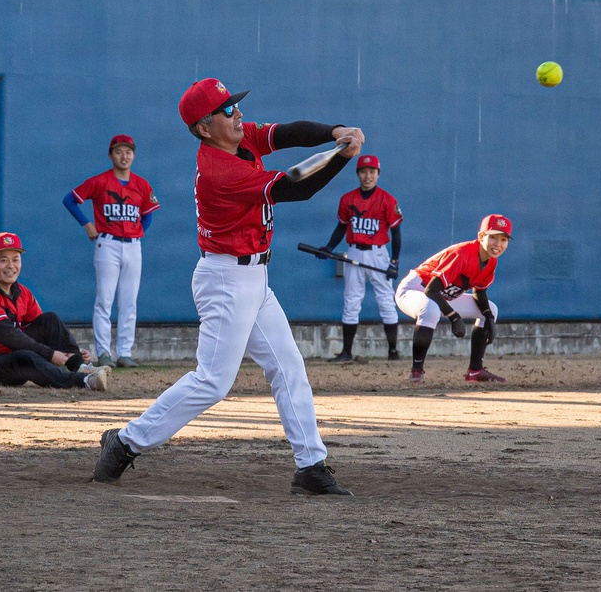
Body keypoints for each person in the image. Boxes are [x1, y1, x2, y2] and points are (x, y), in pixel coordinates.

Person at [92, 77, 363, 496]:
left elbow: (288, 133)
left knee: (287, 366)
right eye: (228, 111)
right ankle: (126, 442)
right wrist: (344, 157)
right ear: (204, 128)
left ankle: (311, 466)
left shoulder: (238, 139)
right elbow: (299, 189)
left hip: (255, 277)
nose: (238, 115)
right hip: (226, 280)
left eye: (234, 106)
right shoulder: (219, 170)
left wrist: (334, 133)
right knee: (213, 382)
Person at [0, 232, 109, 392]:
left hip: (11, 356)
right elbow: (8, 336)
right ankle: (84, 381)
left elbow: (44, 331)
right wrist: (50, 354)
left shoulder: (22, 292)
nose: (11, 266)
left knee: (50, 320)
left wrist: (69, 351)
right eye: (3, 260)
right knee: (25, 356)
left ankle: (81, 366)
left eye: (15, 259)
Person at [63, 134, 160, 369]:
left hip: (133, 245)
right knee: (104, 300)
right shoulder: (100, 181)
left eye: (128, 152)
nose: (124, 156)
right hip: (107, 243)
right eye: (119, 151)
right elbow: (70, 199)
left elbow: (147, 213)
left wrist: (139, 232)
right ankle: (104, 352)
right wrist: (86, 223)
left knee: (129, 302)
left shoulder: (142, 184)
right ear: (110, 155)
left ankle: (124, 353)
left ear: (133, 155)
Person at [394, 214, 512, 384]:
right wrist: (454, 317)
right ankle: (416, 372)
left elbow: (479, 291)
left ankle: (475, 371)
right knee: (430, 309)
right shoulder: (462, 253)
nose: (498, 244)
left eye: (503, 239)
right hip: (415, 289)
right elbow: (432, 290)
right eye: (493, 237)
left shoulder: (491, 261)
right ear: (480, 236)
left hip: (442, 295)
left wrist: (489, 317)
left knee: (491, 309)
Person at [316, 155, 403, 362]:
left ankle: (393, 351)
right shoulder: (348, 199)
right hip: (354, 251)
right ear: (358, 174)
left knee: (385, 300)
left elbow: (396, 233)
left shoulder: (387, 200)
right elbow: (341, 227)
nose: (368, 176)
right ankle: (346, 352)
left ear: (378, 174)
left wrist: (395, 262)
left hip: (378, 254)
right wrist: (329, 247)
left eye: (372, 172)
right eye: (364, 172)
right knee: (351, 300)